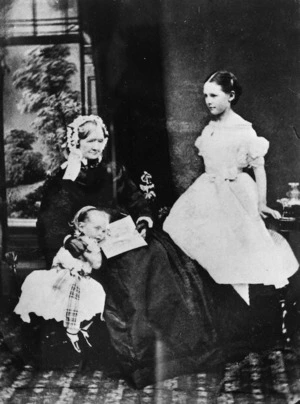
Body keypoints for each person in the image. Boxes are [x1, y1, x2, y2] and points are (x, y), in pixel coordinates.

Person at [36, 113, 295, 388]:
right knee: (134, 267)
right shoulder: (65, 177)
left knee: (160, 253)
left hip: (124, 233)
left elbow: (135, 199)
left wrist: (143, 220)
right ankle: (144, 359)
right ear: (77, 142)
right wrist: (69, 240)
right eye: (91, 141)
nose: (98, 146)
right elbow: (51, 219)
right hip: (91, 242)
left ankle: (185, 350)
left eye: (101, 140)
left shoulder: (114, 169)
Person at [163, 70, 299, 304]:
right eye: (206, 95)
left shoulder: (243, 129)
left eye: (214, 95)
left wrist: (261, 203)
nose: (208, 101)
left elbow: (259, 168)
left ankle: (243, 307)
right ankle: (216, 306)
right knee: (182, 231)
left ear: (231, 96)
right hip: (206, 190)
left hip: (235, 192)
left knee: (238, 248)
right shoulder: (211, 127)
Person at [15, 206, 109, 354]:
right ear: (81, 226)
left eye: (103, 230)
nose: (100, 233)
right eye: (97, 228)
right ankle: (69, 332)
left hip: (82, 278)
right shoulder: (77, 242)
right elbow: (90, 262)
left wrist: (91, 249)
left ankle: (81, 328)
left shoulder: (90, 243)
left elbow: (96, 264)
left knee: (98, 297)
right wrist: (87, 250)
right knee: (69, 301)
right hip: (65, 276)